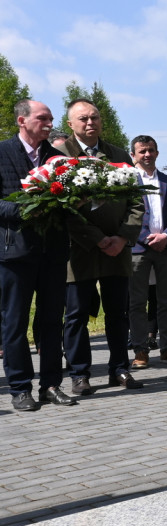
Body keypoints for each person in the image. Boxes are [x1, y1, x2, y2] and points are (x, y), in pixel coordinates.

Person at [56, 99, 145, 393]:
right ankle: (80, 374)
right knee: (77, 314)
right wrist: (97, 238)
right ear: (70, 124)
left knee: (118, 313)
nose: (90, 122)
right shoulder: (58, 155)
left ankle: (119, 369)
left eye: (94, 117)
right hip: (78, 250)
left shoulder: (118, 155)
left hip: (117, 250)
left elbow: (136, 201)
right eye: (83, 119)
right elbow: (60, 207)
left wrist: (122, 238)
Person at [0, 100, 73, 410]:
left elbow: (69, 198)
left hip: (53, 252)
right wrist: (27, 211)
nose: (49, 123)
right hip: (15, 254)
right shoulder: (2, 153)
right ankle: (19, 388)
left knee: (52, 321)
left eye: (51, 119)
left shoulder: (58, 158)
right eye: (43, 118)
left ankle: (51, 385)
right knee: (14, 322)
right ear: (22, 120)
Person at [128, 136, 167, 369]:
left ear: (157, 153)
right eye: (142, 151)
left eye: (151, 150)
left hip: (166, 248)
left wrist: (165, 236)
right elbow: (125, 214)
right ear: (133, 154)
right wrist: (146, 238)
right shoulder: (127, 181)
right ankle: (141, 351)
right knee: (137, 303)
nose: (147, 155)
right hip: (138, 249)